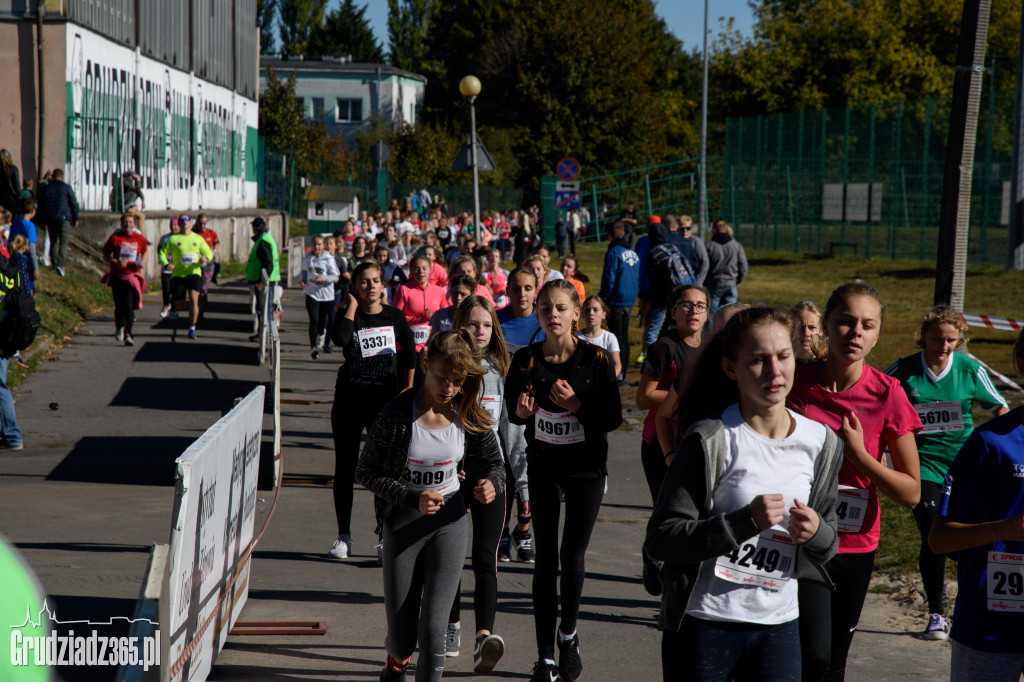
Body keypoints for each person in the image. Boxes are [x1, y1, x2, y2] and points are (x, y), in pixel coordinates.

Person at [645, 307, 843, 682]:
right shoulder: (710, 439)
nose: (774, 371)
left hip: (779, 625)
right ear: (730, 368)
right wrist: (743, 522)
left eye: (783, 357)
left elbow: (829, 541)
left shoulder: (821, 443)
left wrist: (816, 532)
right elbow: (661, 538)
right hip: (705, 622)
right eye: (758, 360)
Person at [786, 281, 922, 682]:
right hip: (795, 534)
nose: (855, 332)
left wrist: (861, 456)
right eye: (845, 322)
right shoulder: (794, 382)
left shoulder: (888, 393)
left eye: (867, 324)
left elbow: (911, 493)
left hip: (854, 542)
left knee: (832, 661)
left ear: (878, 333)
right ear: (826, 325)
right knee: (804, 653)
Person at [356, 330, 505, 682]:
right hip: (404, 523)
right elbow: (366, 471)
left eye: (458, 381)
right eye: (442, 378)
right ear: (425, 366)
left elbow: (495, 465)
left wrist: (490, 485)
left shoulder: (468, 411)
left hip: (450, 522)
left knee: (435, 631)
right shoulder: (396, 414)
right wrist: (411, 497)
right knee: (403, 639)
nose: (449, 388)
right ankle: (395, 664)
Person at [505, 279, 623, 682]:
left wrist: (575, 405)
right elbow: (512, 414)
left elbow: (611, 418)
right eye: (545, 309)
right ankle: (545, 657)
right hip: (543, 465)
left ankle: (568, 635)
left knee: (573, 556)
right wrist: (522, 414)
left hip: (586, 468)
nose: (552, 315)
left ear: (577, 312)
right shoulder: (524, 360)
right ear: (537, 314)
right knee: (546, 560)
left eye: (560, 307)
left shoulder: (598, 359)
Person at [885, 305, 1008, 640]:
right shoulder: (904, 370)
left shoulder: (969, 369)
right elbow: (878, 398)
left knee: (960, 537)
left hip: (963, 465)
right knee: (933, 530)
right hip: (920, 464)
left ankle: (971, 602)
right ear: (923, 336)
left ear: (959, 340)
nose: (944, 345)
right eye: (937, 338)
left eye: (951, 340)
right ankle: (937, 615)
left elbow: (1000, 405)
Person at [928, 329, 1024, 680]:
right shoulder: (989, 442)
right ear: (1021, 364)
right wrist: (1007, 529)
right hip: (988, 622)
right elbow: (940, 539)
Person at [445, 296, 521, 672]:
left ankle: (482, 639)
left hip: (492, 471)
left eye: (487, 325)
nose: (480, 332)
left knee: (485, 557)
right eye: (473, 324)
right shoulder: (449, 368)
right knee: (451, 555)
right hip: (452, 471)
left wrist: (518, 482)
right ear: (460, 324)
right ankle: (451, 625)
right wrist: (448, 468)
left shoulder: (501, 370)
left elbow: (511, 431)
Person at [329, 262, 417, 561]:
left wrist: (407, 390)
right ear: (355, 286)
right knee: (345, 468)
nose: (370, 286)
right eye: (363, 282)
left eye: (376, 281)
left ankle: (384, 536)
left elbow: (411, 353)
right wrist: (351, 307)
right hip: (349, 402)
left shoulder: (394, 317)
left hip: (384, 404)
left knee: (384, 471)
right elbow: (339, 340)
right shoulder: (347, 315)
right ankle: (343, 536)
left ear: (383, 285)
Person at [635, 285, 709, 595]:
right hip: (660, 443)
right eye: (686, 305)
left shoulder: (711, 348)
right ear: (673, 311)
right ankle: (653, 556)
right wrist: (688, 399)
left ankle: (688, 581)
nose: (693, 311)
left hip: (698, 442)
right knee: (669, 514)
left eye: (700, 306)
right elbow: (644, 397)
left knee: (696, 516)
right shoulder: (664, 347)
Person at [496, 266, 542, 563]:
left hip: (536, 408)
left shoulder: (544, 321)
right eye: (516, 288)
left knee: (529, 470)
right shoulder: (496, 320)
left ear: (535, 290)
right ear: (507, 291)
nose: (522, 294)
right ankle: (500, 535)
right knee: (503, 473)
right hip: (499, 408)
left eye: (527, 288)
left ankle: (523, 533)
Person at [598, 220, 639, 385]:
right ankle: (624, 374)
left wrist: (604, 298)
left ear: (609, 235)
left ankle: (618, 375)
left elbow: (610, 277)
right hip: (629, 300)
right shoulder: (632, 252)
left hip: (616, 300)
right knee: (624, 337)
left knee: (616, 338)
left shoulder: (614, 252)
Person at [160, 213, 212, 340]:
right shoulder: (173, 239)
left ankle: (192, 328)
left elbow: (209, 253)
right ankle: (179, 307)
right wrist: (166, 264)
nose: (185, 222)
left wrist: (206, 258)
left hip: (194, 273)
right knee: (180, 305)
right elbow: (162, 253)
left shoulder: (198, 238)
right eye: (182, 220)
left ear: (190, 222)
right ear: (179, 223)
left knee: (194, 299)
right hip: (178, 275)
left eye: (187, 219)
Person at [101, 213, 148, 346]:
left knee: (128, 306)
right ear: (121, 224)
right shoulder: (115, 238)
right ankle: (119, 326)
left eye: (130, 222)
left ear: (134, 224)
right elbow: (105, 254)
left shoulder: (139, 238)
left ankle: (128, 333)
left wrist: (143, 262)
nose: (128, 225)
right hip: (117, 276)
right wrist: (115, 261)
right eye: (125, 223)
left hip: (132, 277)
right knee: (119, 305)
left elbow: (145, 251)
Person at [392, 254, 448, 354]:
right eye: (416, 269)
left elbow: (446, 317)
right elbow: (395, 319)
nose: (420, 271)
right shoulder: (403, 290)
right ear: (411, 271)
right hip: (407, 346)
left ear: (430, 270)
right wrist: (419, 319)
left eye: (424, 268)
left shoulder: (439, 291)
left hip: (432, 346)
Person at [302, 235, 340, 359]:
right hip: (311, 292)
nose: (317, 247)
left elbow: (336, 277)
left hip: (326, 295)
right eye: (314, 244)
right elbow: (303, 270)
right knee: (314, 319)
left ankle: (321, 332)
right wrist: (303, 279)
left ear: (323, 245)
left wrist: (323, 278)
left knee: (322, 321)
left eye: (319, 244)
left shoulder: (328, 259)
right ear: (311, 246)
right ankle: (313, 347)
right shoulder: (308, 257)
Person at [38, 168, 79, 278]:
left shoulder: (47, 188)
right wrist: (75, 218)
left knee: (54, 241)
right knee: (64, 241)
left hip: (50, 218)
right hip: (64, 218)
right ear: (61, 177)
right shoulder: (66, 188)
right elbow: (74, 203)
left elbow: (42, 205)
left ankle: (55, 264)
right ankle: (61, 264)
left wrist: (41, 220)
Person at [245, 217, 280, 342]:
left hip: (266, 282)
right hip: (267, 280)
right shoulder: (265, 239)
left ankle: (264, 335)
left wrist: (262, 282)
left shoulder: (263, 241)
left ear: (254, 228)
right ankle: (263, 334)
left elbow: (268, 263)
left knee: (263, 309)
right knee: (264, 309)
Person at [704, 220, 748, 319]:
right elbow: (743, 267)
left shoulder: (709, 246)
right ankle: (729, 333)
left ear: (714, 230)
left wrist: (706, 282)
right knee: (731, 314)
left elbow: (704, 265)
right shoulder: (736, 246)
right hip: (730, 284)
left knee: (712, 315)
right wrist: (737, 280)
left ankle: (712, 334)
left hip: (714, 284)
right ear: (726, 229)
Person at [577, 295, 621, 378]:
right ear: (582, 313)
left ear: (603, 314)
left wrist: (607, 380)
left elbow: (617, 364)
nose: (591, 313)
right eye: (587, 310)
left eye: (595, 310)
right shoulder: (575, 337)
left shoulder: (610, 338)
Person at [428, 274, 476, 338]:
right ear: (450, 292)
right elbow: (432, 341)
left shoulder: (475, 317)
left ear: (471, 295)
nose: (458, 297)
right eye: (455, 293)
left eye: (463, 294)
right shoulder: (439, 315)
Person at [193, 213, 219, 324]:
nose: (202, 226)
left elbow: (216, 242)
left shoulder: (211, 233)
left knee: (203, 289)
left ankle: (201, 312)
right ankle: (196, 311)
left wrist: (214, 251)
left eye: (204, 223)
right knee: (195, 289)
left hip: (208, 264)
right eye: (200, 223)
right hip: (195, 264)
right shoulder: (193, 234)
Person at [9, 198, 38, 285]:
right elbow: (32, 249)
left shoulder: (15, 223)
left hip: (13, 259)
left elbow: (10, 241)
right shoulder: (30, 226)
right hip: (27, 263)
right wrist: (36, 267)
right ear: (33, 211)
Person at [158, 218, 181, 318]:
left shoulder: (182, 238)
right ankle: (166, 305)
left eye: (175, 225)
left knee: (176, 291)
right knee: (166, 289)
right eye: (172, 225)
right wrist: (162, 261)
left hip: (178, 269)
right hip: (167, 268)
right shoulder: (165, 238)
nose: (173, 227)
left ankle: (174, 310)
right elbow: (159, 249)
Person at [0, 150, 20, 216]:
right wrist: (20, 196)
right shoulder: (13, 169)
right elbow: (16, 185)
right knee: (11, 218)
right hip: (11, 197)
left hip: (1, 197)